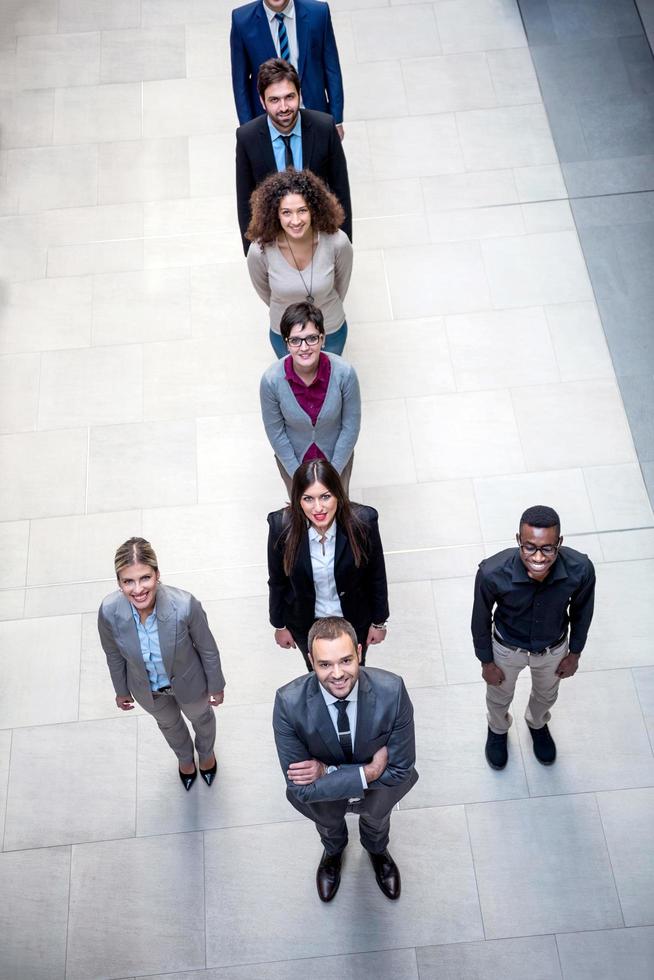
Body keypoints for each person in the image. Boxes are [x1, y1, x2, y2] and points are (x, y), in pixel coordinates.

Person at [273, 616, 418, 901]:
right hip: (327, 801)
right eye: (325, 664)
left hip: (381, 792)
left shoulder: (393, 691)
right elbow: (301, 788)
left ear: (360, 653)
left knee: (378, 822)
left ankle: (377, 850)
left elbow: (401, 770)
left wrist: (327, 771)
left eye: (346, 661)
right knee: (329, 826)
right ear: (310, 661)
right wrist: (371, 771)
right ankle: (333, 852)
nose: (337, 674)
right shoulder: (288, 704)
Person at [471, 505, 595, 770]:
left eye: (547, 548)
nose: (538, 556)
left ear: (559, 543)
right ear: (518, 540)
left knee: (547, 694)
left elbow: (582, 613)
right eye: (529, 547)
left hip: (552, 649)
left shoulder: (580, 569)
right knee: (498, 696)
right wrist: (486, 663)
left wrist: (574, 654)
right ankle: (498, 730)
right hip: (506, 648)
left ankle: (537, 723)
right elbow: (480, 620)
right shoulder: (492, 572)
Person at [98, 537, 226, 791]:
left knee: (201, 719)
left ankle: (206, 753)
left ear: (157, 574)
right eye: (128, 581)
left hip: (191, 684)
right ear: (119, 583)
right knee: (168, 725)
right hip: (148, 691)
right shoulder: (109, 612)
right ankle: (185, 758)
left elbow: (207, 648)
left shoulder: (185, 605)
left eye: (145, 578)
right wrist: (121, 690)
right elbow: (113, 654)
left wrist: (216, 685)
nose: (138, 589)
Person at [267, 459, 389, 670]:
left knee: (353, 671)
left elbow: (376, 576)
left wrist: (379, 622)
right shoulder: (281, 527)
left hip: (353, 619)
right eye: (308, 499)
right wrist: (279, 625)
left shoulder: (363, 521)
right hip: (307, 623)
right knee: (318, 673)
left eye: (325, 496)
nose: (318, 508)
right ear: (297, 500)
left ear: (338, 496)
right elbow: (277, 581)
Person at [235, 58, 351, 255]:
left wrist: (343, 247)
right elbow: (244, 202)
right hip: (274, 245)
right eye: (274, 100)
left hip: (320, 239)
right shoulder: (248, 137)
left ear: (299, 94)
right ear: (262, 101)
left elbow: (341, 193)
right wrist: (253, 255)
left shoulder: (324, 128)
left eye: (289, 97)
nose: (283, 107)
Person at [248, 173, 352, 356]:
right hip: (285, 335)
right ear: (275, 214)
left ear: (313, 209)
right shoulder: (260, 250)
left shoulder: (337, 242)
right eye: (286, 212)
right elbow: (265, 292)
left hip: (330, 330)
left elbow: (340, 287)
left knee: (329, 383)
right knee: (293, 385)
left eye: (302, 210)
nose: (295, 221)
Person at [260, 302, 360, 488]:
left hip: (337, 461)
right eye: (296, 340)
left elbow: (350, 427)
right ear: (286, 344)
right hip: (294, 465)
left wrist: (333, 474)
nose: (304, 347)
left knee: (337, 511)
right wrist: (299, 477)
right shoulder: (271, 381)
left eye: (311, 338)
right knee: (302, 514)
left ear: (322, 339)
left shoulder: (345, 373)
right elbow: (276, 433)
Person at [230, 0, 344, 132]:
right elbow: (240, 83)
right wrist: (248, 130)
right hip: (268, 122)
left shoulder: (318, 13)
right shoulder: (241, 21)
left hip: (314, 116)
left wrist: (337, 120)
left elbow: (332, 69)